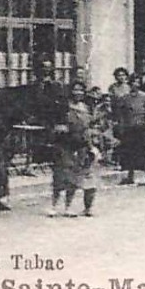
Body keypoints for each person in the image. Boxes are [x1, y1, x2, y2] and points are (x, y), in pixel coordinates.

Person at [50, 81, 99, 217]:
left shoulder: (86, 108)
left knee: (74, 178)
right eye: (75, 90)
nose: (78, 93)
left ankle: (68, 207)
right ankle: (54, 205)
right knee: (60, 176)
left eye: (81, 90)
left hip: (81, 145)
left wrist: (91, 146)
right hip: (65, 145)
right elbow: (57, 126)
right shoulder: (64, 107)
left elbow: (88, 129)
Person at [115, 73, 145, 184]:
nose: (135, 84)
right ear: (129, 83)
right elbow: (121, 115)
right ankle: (130, 176)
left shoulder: (144, 97)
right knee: (130, 153)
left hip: (142, 128)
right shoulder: (125, 98)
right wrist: (122, 127)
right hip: (129, 129)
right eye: (133, 82)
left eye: (137, 82)